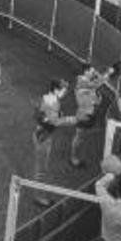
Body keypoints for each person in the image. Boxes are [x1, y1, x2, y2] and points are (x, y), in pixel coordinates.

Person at [31, 79, 79, 207]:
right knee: (41, 170)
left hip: (42, 135)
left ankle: (38, 194)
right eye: (64, 91)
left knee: (41, 168)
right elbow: (56, 122)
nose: (65, 93)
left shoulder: (48, 98)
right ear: (57, 90)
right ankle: (38, 197)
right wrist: (75, 119)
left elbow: (41, 115)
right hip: (43, 138)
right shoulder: (52, 102)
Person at [69, 63, 109, 168]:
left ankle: (77, 156)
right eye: (91, 72)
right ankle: (73, 158)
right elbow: (98, 83)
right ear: (85, 72)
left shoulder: (88, 83)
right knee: (79, 137)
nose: (94, 73)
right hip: (83, 115)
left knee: (82, 137)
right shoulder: (82, 82)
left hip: (90, 114)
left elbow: (94, 97)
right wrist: (108, 73)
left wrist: (97, 100)